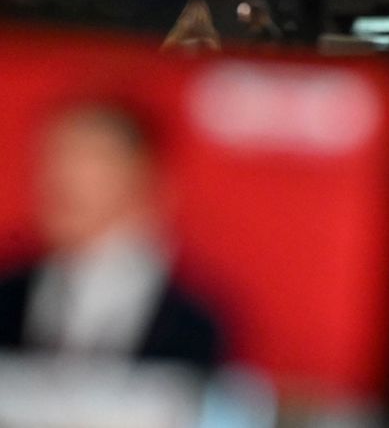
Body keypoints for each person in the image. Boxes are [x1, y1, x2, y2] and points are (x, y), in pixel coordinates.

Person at [0, 102, 223, 369]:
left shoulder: (192, 321)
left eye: (90, 156)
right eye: (53, 157)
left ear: (145, 177)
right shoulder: (9, 294)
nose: (62, 176)